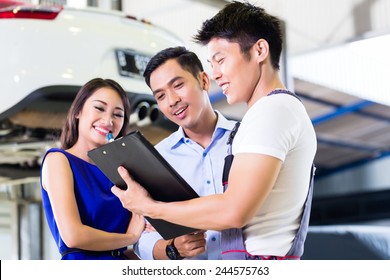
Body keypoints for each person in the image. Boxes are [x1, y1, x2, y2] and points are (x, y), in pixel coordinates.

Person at [112, 1, 317, 260]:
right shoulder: (268, 114)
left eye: (221, 60)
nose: (217, 73)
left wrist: (152, 207)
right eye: (160, 95)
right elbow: (144, 236)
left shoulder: (271, 112)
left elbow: (233, 210)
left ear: (260, 50)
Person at [133, 46, 238, 260]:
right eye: (160, 96)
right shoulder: (157, 158)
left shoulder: (247, 140)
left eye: (178, 85)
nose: (172, 101)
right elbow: (141, 234)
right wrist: (171, 248)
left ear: (204, 81)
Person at [40, 78, 145, 260]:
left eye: (118, 114)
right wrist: (131, 237)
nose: (108, 120)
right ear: (78, 111)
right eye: (99, 108)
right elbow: (73, 236)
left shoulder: (122, 172)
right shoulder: (58, 160)